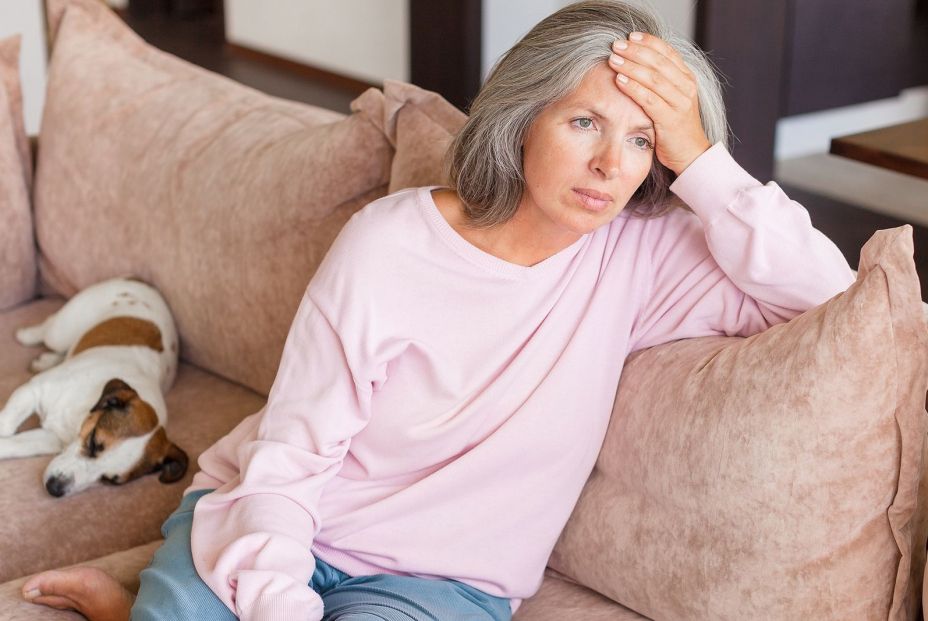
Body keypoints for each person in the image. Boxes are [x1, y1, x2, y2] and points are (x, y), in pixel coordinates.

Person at [20, 1, 856, 620]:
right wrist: (272, 595)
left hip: (438, 584)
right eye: (586, 121)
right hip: (286, 518)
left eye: (643, 139)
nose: (610, 163)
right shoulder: (389, 245)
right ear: (523, 117)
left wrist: (703, 160)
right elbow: (295, 452)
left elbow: (831, 294)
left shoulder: (644, 257)